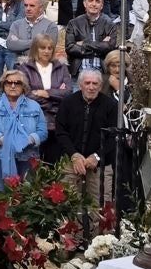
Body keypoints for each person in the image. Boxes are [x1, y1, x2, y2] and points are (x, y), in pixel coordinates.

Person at [51, 68, 119, 205]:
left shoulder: (111, 105)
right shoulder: (68, 102)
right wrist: (74, 155)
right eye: (87, 83)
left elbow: (113, 136)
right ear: (80, 85)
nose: (91, 87)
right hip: (71, 163)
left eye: (95, 84)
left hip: (100, 166)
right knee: (68, 207)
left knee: (99, 209)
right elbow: (61, 131)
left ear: (100, 86)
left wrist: (97, 156)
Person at [0, 67, 47, 187]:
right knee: (3, 197)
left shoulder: (34, 106)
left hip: (28, 157)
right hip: (2, 156)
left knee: (27, 196)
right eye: (9, 82)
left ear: (24, 86)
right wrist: (5, 141)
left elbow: (42, 132)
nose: (13, 86)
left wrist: (28, 140)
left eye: (17, 83)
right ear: (3, 85)